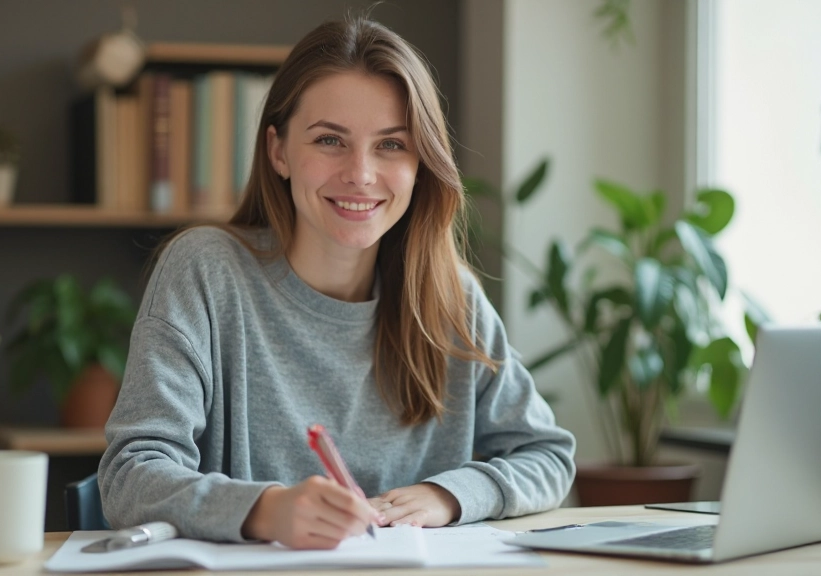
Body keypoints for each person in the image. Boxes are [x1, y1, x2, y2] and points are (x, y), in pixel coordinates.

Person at [98, 14, 576, 550]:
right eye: (330, 140)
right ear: (279, 152)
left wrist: (450, 495)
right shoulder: (206, 271)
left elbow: (549, 457)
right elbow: (130, 475)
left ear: (422, 163)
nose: (361, 174)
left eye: (391, 145)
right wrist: (266, 510)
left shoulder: (449, 297)